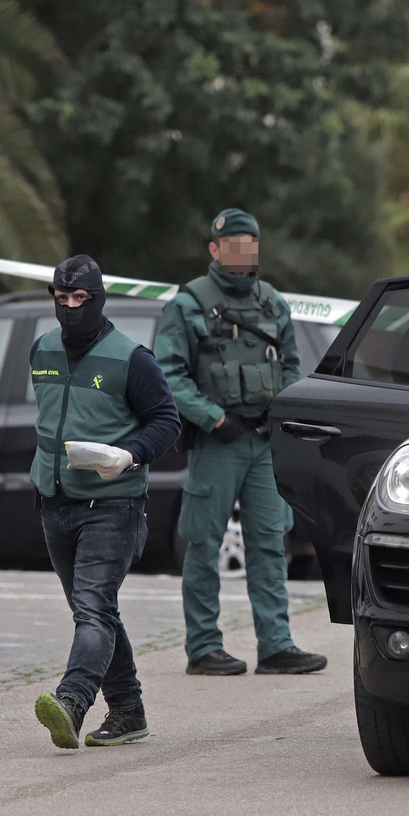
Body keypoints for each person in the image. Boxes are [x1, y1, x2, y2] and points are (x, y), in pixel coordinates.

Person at [154, 209, 327, 676]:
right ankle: (204, 647)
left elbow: (291, 365)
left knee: (270, 543)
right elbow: (167, 374)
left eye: (249, 243)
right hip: (219, 442)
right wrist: (214, 419)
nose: (242, 251)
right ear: (214, 249)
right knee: (203, 543)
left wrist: (284, 408)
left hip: (263, 442)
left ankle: (276, 645)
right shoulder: (188, 304)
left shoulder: (273, 302)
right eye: (232, 244)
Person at [31, 256, 182, 749]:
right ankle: (129, 711)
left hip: (113, 505)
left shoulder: (131, 357)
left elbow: (167, 422)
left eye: (80, 299)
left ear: (98, 300)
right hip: (54, 501)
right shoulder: (43, 349)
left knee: (92, 610)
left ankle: (72, 702)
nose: (70, 308)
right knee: (97, 610)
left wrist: (130, 455)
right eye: (62, 298)